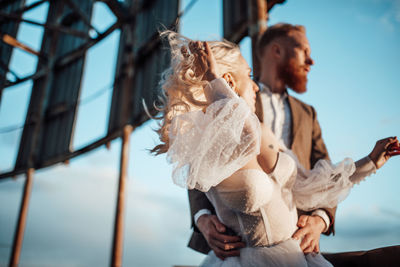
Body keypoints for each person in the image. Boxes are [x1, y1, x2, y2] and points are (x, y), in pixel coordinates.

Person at [152, 31, 398, 266]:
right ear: (228, 82)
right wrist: (214, 83)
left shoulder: (282, 122)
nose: (255, 86)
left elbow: (313, 184)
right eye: (249, 76)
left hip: (298, 255)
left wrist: (371, 162)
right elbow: (245, 136)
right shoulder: (209, 144)